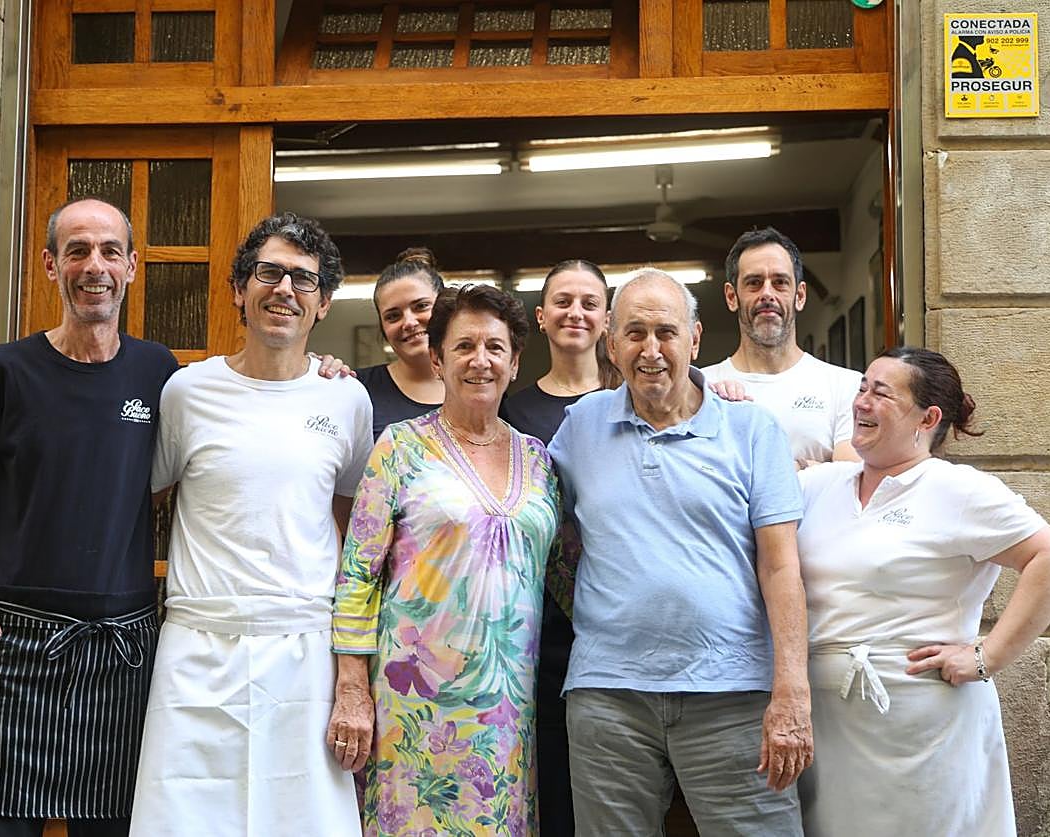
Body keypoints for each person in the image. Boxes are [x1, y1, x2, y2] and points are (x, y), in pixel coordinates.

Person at [0, 198, 179, 837]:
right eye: (77, 251)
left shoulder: (158, 372)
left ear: (132, 266)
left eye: (109, 251)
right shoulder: (5, 370)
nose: (94, 266)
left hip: (121, 654)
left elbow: (153, 484)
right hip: (11, 649)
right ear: (51, 265)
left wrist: (324, 377)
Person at [128, 213, 373, 836]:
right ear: (240, 289)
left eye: (303, 280)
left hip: (304, 650)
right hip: (197, 648)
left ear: (323, 304)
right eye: (268, 272)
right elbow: (136, 503)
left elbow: (353, 538)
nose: (284, 289)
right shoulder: (187, 391)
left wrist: (352, 678)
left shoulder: (345, 399)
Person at [548, 268, 812, 836]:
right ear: (611, 345)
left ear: (694, 340)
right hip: (608, 696)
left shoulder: (750, 430)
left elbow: (782, 564)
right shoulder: (578, 429)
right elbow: (540, 534)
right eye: (634, 333)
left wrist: (791, 689)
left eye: (665, 333)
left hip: (733, 695)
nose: (651, 350)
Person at [796, 347, 1050, 837]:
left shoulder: (957, 490)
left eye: (880, 393)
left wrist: (987, 655)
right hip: (831, 730)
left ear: (927, 418)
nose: (861, 402)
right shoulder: (818, 485)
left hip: (924, 731)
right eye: (862, 387)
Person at [328, 284, 560, 836]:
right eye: (463, 347)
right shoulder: (400, 448)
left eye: (495, 347)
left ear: (515, 360)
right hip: (415, 708)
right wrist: (352, 692)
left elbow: (568, 573)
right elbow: (357, 575)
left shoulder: (539, 460)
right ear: (437, 359)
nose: (480, 360)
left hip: (507, 712)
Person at [498, 258, 616, 835]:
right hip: (537, 628)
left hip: (617, 620)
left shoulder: (633, 400)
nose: (576, 313)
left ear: (607, 319)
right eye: (563, 301)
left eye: (590, 302)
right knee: (550, 791)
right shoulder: (512, 411)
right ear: (540, 318)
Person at [702, 227, 861, 466]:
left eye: (780, 282)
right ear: (731, 297)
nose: (767, 293)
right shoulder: (702, 387)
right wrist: (809, 466)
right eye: (754, 283)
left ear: (800, 295)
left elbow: (851, 481)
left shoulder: (846, 387)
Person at [356, 247, 446, 441]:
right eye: (393, 316)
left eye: (421, 306)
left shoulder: (477, 383)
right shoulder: (358, 389)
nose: (409, 322)